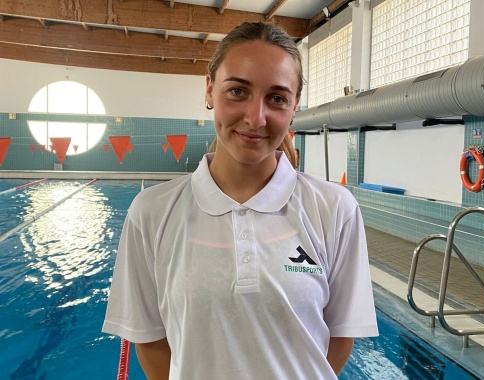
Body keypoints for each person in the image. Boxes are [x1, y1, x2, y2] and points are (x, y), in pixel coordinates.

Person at [102, 21, 378, 379]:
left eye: (277, 98)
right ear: (209, 90)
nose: (255, 117)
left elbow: (339, 335)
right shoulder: (152, 211)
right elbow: (151, 341)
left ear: (294, 106)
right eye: (237, 91)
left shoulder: (334, 208)